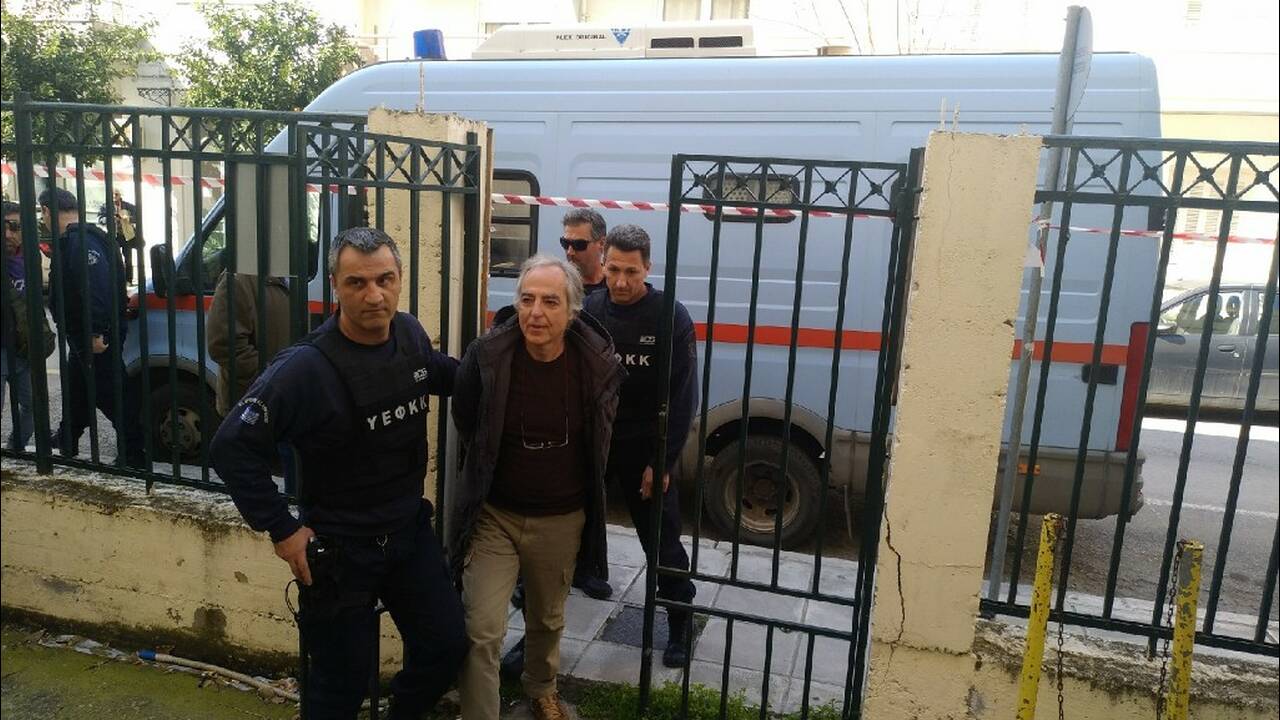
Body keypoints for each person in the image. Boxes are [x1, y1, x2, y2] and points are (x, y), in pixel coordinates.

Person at [210, 227, 467, 719]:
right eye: (357, 283)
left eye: (385, 279)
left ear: (400, 278)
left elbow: (435, 371)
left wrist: (506, 360)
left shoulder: (409, 332)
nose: (374, 295)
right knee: (340, 688)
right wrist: (283, 530)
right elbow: (231, 447)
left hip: (408, 535)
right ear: (335, 285)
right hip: (342, 552)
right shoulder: (305, 368)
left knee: (445, 645)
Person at [448, 254, 623, 720]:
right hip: (495, 516)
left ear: (572, 310)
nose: (536, 313)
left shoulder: (595, 364)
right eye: (527, 300)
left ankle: (541, 689)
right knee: (481, 627)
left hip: (561, 517)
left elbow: (604, 434)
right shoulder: (488, 356)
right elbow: (466, 418)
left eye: (550, 301)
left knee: (546, 618)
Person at [584, 224, 699, 667]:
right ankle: (542, 623)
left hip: (646, 445)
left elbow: (683, 396)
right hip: (598, 439)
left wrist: (662, 460)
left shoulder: (671, 315)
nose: (620, 281)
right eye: (613, 269)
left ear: (648, 268)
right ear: (603, 264)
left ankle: (680, 620)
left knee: (661, 541)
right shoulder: (591, 308)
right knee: (567, 532)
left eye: (631, 272)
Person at [40, 187, 146, 467]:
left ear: (47, 211)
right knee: (76, 388)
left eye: (42, 214)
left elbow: (96, 289)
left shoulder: (81, 242)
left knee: (112, 394)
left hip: (94, 336)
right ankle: (68, 438)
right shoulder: (80, 238)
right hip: (82, 335)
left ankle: (134, 453)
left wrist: (95, 332)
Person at [2, 201, 41, 450]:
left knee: (33, 405)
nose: (8, 233)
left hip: (22, 348)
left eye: (14, 227)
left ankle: (16, 448)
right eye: (3, 227)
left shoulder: (30, 257)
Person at [97, 189, 141, 285]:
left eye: (116, 194)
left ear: (120, 195)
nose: (114, 196)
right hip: (113, 235)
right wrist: (110, 219)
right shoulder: (105, 206)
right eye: (112, 194)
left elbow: (138, 217)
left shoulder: (128, 206)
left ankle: (128, 280)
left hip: (126, 235)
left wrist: (128, 218)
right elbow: (100, 219)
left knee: (128, 258)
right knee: (113, 257)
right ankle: (115, 279)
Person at [559, 209, 607, 295]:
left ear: (601, 244)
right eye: (565, 243)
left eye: (578, 244)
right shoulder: (558, 286)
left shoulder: (616, 285)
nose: (570, 252)